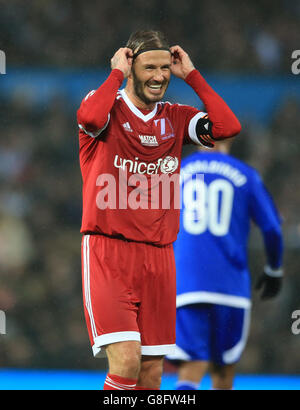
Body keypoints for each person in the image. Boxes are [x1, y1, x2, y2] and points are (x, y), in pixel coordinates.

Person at [76, 30, 241, 390]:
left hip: (159, 256)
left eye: (166, 68)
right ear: (130, 64)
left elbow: (229, 127)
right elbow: (89, 119)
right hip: (108, 250)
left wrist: (193, 76)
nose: (160, 76)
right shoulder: (106, 106)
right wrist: (115, 74)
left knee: (151, 374)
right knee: (126, 361)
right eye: (150, 67)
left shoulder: (176, 117)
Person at [166, 139, 284, 390]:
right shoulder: (245, 175)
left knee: (190, 368)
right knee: (223, 374)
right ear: (229, 137)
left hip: (186, 285)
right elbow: (272, 229)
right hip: (229, 287)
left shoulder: (175, 173)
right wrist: (274, 268)